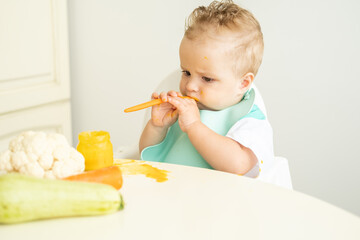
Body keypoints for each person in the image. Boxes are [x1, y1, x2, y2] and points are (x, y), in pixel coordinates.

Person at [139, 0, 274, 181]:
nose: (189, 86)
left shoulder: (249, 121)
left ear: (243, 84)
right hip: (172, 194)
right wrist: (157, 127)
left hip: (222, 204)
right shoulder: (181, 113)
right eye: (186, 72)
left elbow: (238, 165)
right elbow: (146, 155)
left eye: (207, 79)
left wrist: (194, 126)